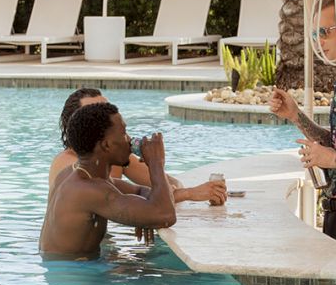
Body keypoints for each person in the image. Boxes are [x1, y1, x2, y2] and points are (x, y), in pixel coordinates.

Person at [269, 0, 336, 246]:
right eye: (314, 35)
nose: (319, 41)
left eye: (325, 32)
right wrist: (295, 114)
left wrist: (332, 160)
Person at [40, 101, 177, 259]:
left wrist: (146, 214)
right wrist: (156, 163)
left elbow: (140, 191)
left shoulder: (78, 175)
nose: (130, 140)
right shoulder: (88, 190)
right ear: (106, 145)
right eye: (124, 133)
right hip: (73, 275)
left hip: (66, 269)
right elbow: (166, 215)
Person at [49, 87, 227, 206]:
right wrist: (189, 194)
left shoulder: (113, 158)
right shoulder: (68, 166)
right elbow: (120, 200)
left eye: (106, 110)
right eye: (93, 113)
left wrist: (155, 164)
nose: (104, 118)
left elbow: (169, 184)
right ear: (75, 124)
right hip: (75, 260)